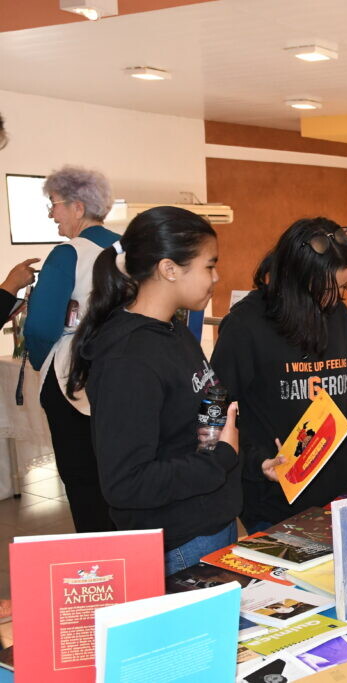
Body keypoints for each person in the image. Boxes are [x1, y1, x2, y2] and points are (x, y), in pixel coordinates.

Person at [66, 206, 241, 574]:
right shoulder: (129, 359)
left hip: (212, 521)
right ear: (169, 269)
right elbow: (126, 483)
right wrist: (221, 458)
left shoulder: (174, 331)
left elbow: (203, 408)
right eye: (209, 266)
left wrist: (246, 457)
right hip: (180, 541)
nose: (216, 276)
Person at [212, 218, 347, 531]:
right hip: (273, 501)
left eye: (343, 289)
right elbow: (217, 413)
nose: (335, 300)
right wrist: (257, 461)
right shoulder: (245, 325)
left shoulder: (339, 317)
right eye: (327, 290)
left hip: (337, 494)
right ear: (295, 280)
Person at [24, 165, 119, 532]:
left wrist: (38, 362)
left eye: (54, 204)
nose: (52, 215)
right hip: (124, 370)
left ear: (78, 207)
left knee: (84, 480)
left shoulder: (68, 254)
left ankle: (100, 555)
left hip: (73, 377)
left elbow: (41, 326)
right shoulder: (130, 247)